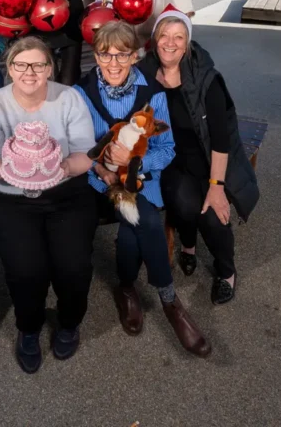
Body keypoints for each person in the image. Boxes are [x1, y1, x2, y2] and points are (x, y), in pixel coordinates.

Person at [75, 20, 210, 357]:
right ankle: (169, 301)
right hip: (98, 181)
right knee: (144, 222)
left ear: (135, 56)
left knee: (139, 222)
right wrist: (104, 167)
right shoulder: (81, 93)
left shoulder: (153, 94)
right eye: (106, 56)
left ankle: (131, 290)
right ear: (96, 56)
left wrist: (137, 160)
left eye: (123, 55)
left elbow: (168, 149)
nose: (114, 64)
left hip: (140, 180)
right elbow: (75, 147)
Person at [0, 36, 98, 374]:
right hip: (10, 198)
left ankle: (69, 323)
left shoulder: (68, 97)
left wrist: (61, 169)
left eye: (39, 64)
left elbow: (86, 152)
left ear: (50, 67)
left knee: (73, 268)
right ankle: (29, 328)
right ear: (9, 68)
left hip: (66, 194)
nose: (30, 71)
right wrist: (22, 173)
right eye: (21, 64)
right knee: (27, 271)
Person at [140, 8, 259, 305]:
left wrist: (217, 186)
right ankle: (189, 246)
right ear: (155, 39)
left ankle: (226, 271)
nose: (170, 42)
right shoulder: (142, 72)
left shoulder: (206, 79)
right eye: (164, 35)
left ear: (188, 42)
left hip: (205, 158)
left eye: (178, 37)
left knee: (212, 215)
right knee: (183, 201)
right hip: (166, 159)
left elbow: (221, 139)